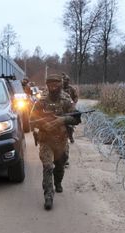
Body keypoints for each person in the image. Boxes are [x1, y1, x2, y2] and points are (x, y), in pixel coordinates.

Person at [30, 74, 81, 210]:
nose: (53, 87)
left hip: (61, 139)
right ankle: (48, 195)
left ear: (60, 84)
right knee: (47, 166)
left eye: (56, 84)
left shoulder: (65, 99)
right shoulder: (41, 101)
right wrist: (43, 125)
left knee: (60, 164)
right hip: (46, 139)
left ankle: (58, 182)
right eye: (50, 84)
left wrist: (62, 120)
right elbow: (31, 120)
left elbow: (76, 118)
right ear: (47, 85)